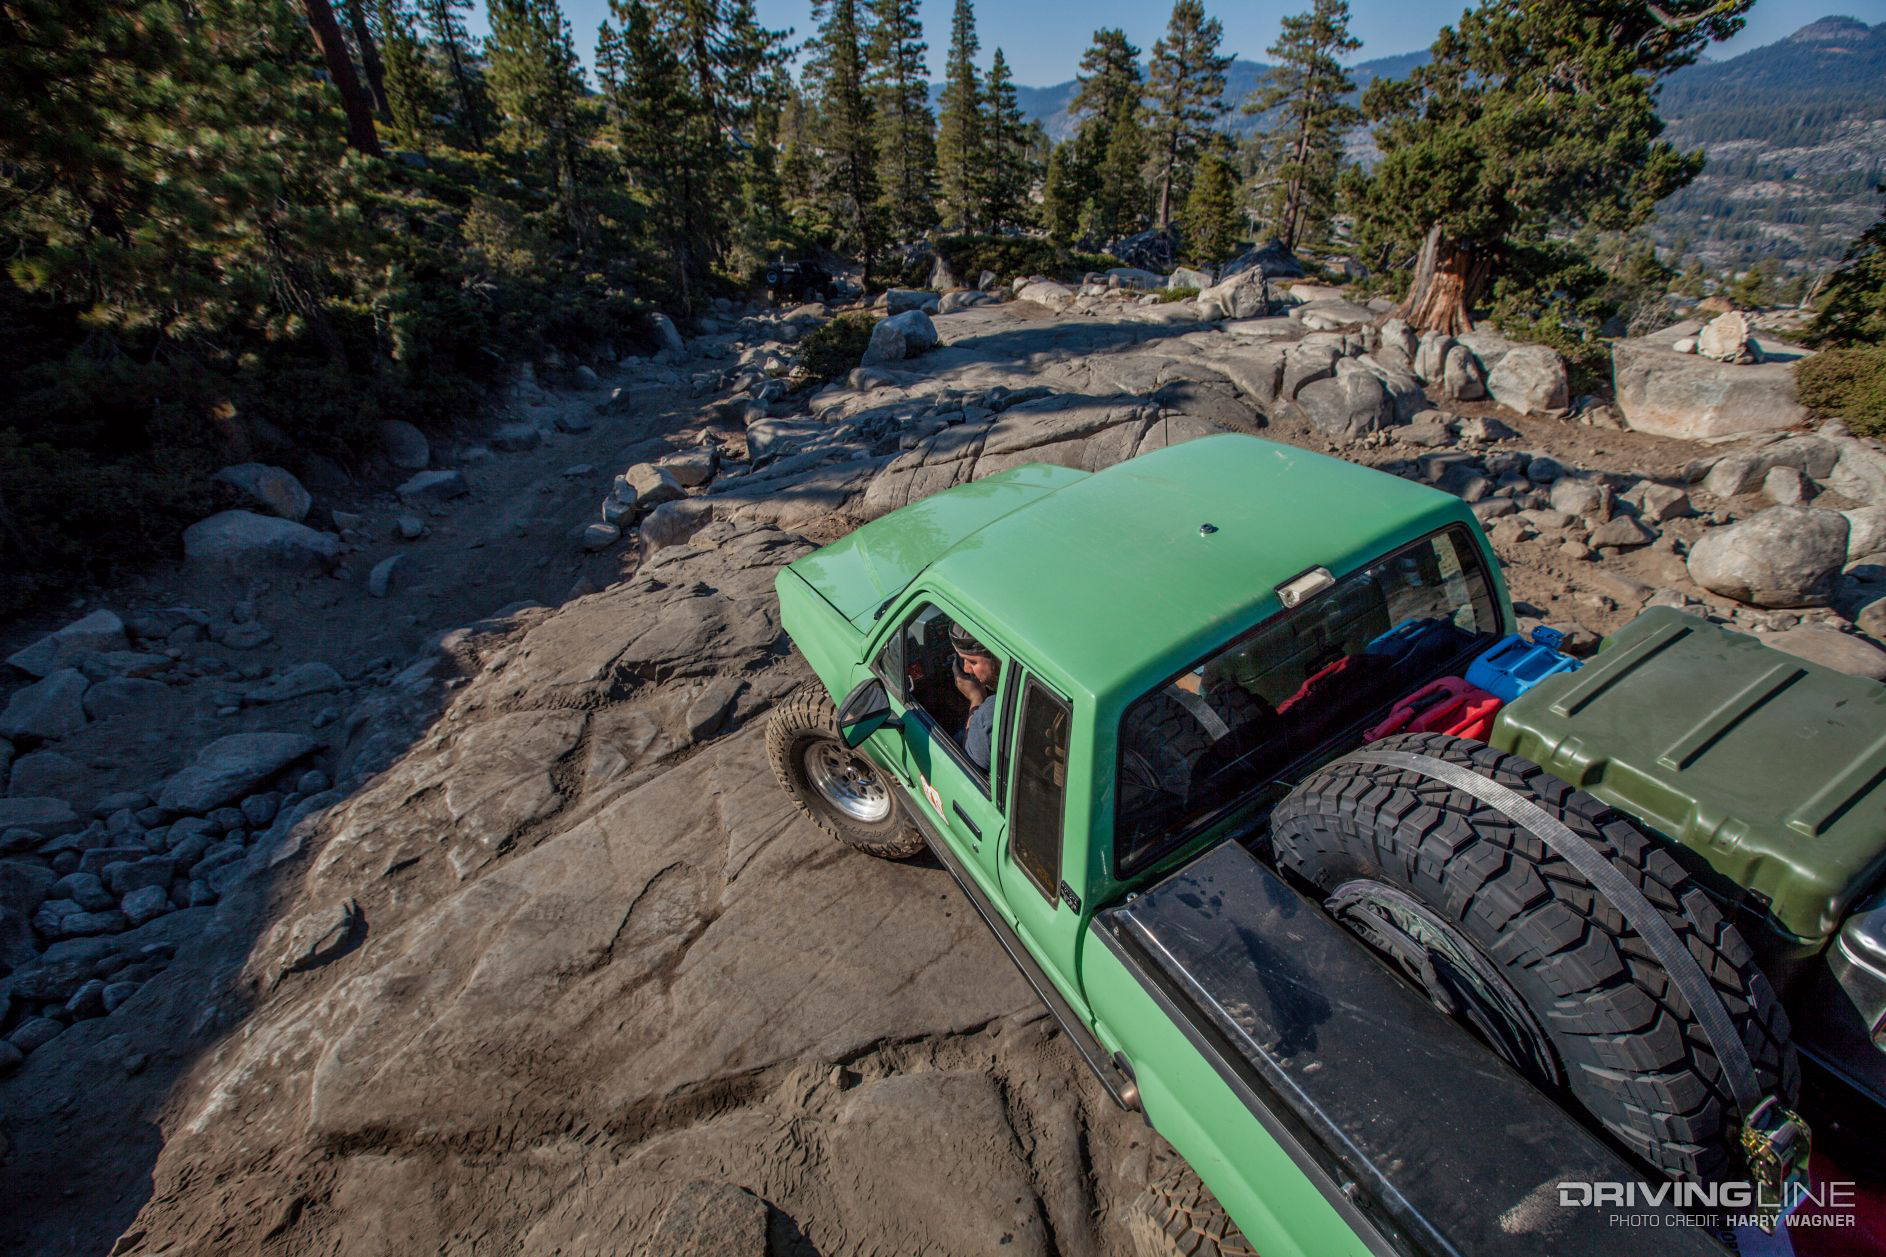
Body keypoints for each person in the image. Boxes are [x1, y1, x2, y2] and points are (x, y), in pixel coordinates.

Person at [949, 621, 1001, 771]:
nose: (966, 668)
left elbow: (970, 769)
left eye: (972, 661)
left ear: (997, 659)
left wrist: (976, 698)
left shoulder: (990, 712)